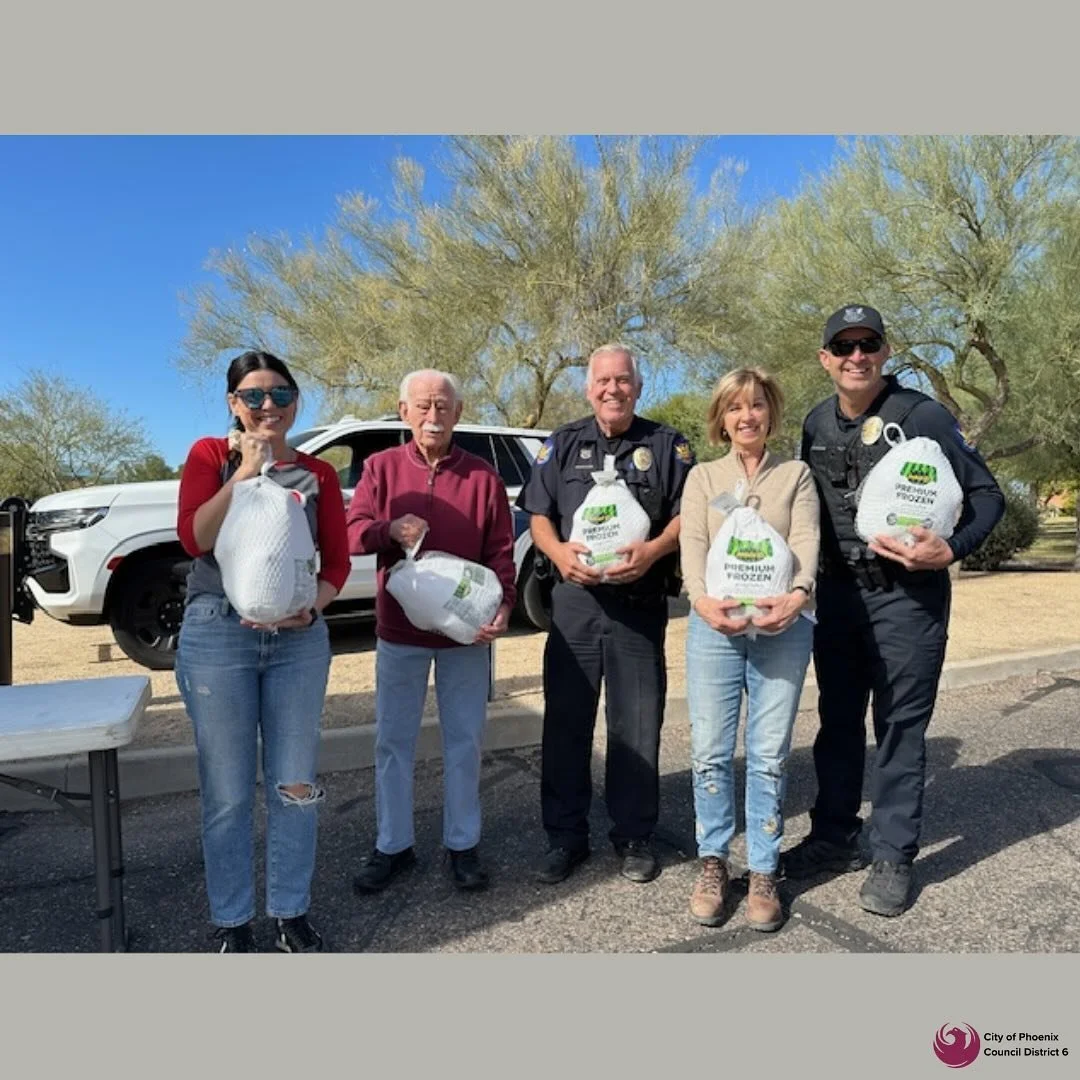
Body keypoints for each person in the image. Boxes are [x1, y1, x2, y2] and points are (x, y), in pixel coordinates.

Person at [781, 304, 1005, 917]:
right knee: (837, 719)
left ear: (884, 351)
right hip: (839, 596)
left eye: (868, 344)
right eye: (844, 346)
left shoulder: (923, 415)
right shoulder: (814, 422)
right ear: (826, 358)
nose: (857, 356)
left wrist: (951, 548)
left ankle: (893, 855)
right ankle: (833, 835)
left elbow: (988, 497)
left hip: (908, 596)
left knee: (900, 726)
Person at [175, 350, 350, 953]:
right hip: (218, 632)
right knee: (226, 788)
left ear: (296, 402)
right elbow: (194, 536)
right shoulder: (208, 456)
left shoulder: (317, 475)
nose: (267, 405)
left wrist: (317, 605)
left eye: (280, 394)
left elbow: (338, 561)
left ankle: (290, 911)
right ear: (233, 405)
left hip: (298, 640)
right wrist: (243, 473)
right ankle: (232, 919)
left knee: (294, 783)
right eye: (253, 396)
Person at [517, 343, 694, 885]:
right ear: (588, 388)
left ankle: (634, 835)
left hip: (638, 605)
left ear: (637, 387)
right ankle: (565, 837)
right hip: (574, 604)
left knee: (636, 724)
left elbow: (690, 515)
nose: (612, 389)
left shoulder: (667, 446)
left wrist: (655, 550)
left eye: (623, 381)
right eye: (603, 381)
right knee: (567, 723)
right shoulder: (564, 444)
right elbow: (539, 515)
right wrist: (557, 552)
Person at [346, 369, 516, 894]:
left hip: (466, 636)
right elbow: (352, 535)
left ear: (458, 413)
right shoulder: (380, 469)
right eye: (422, 406)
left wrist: (505, 606)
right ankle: (393, 845)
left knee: (464, 741)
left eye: (443, 406)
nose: (432, 416)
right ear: (403, 412)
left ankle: (462, 845)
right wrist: (388, 531)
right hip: (399, 633)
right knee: (393, 742)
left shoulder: (482, 476)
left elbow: (501, 552)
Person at [679, 368, 819, 931]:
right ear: (721, 418)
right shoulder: (702, 477)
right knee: (710, 750)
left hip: (783, 628)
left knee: (767, 754)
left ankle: (763, 870)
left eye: (757, 405)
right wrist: (702, 601)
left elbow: (807, 538)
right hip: (715, 629)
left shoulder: (795, 475)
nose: (747, 416)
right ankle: (713, 862)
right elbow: (692, 543)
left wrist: (798, 593)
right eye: (735, 407)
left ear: (770, 413)